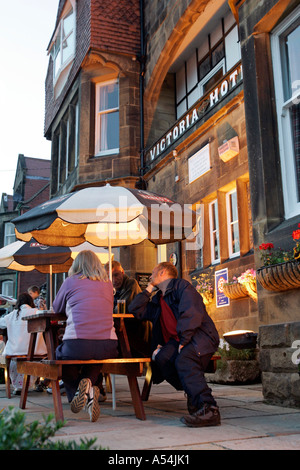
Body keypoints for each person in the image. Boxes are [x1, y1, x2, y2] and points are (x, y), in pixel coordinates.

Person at [128, 261, 221, 427]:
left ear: (163, 272)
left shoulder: (182, 287)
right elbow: (135, 309)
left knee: (184, 360)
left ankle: (209, 409)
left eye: (153, 273)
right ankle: (193, 395)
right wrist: (149, 289)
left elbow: (191, 311)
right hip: (177, 341)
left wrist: (184, 340)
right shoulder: (158, 300)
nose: (150, 276)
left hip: (200, 336)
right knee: (161, 358)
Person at [52, 250, 118, 422]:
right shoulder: (108, 284)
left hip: (78, 343)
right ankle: (90, 386)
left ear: (77, 265)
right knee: (96, 358)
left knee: (63, 358)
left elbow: (56, 309)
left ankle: (78, 394)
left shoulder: (70, 282)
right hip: (109, 345)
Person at [0, 292, 47, 394]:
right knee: (37, 361)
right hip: (36, 351)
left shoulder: (11, 315)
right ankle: (31, 384)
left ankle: (18, 386)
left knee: (13, 360)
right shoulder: (36, 312)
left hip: (15, 350)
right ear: (30, 302)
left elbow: (1, 323)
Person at [105, 260, 151, 357]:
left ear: (123, 273)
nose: (114, 280)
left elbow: (121, 310)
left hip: (137, 336)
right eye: (110, 276)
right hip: (125, 334)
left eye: (116, 275)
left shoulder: (131, 283)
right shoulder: (111, 290)